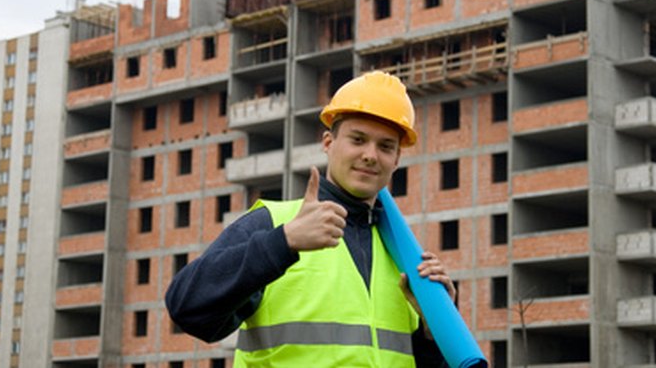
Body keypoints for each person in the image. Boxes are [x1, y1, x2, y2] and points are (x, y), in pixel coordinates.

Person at [166, 71, 456, 367]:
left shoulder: (403, 254)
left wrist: (432, 331)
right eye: (358, 139)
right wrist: (284, 242)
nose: (371, 155)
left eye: (385, 146)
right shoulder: (274, 223)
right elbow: (186, 308)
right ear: (328, 142)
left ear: (396, 159)